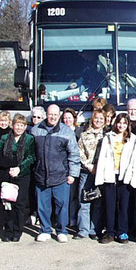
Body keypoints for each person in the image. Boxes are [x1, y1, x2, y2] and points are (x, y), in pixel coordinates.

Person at [31, 104, 81, 243]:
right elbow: (31, 153)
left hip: (61, 176)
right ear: (46, 114)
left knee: (62, 206)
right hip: (41, 175)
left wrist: (72, 174)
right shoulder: (36, 130)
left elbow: (74, 154)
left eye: (55, 114)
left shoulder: (67, 132)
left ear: (59, 115)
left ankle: (61, 231)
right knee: (43, 205)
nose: (52, 117)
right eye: (50, 114)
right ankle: (45, 230)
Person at [0, 114, 35, 242]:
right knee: (8, 203)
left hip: (22, 175)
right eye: (17, 125)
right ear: (12, 125)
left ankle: (17, 231)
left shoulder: (30, 139)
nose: (19, 127)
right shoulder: (5, 138)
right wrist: (7, 168)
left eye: (22, 125)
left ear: (25, 127)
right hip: (7, 174)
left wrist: (19, 168)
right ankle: (8, 230)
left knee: (19, 204)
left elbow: (31, 157)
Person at [95, 113, 136, 244]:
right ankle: (109, 232)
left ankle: (122, 231)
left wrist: (134, 177)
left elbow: (135, 160)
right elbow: (102, 158)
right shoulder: (108, 138)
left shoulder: (133, 139)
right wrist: (100, 177)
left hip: (125, 176)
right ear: (115, 123)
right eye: (119, 123)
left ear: (128, 125)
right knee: (109, 205)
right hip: (110, 175)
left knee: (124, 205)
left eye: (124, 123)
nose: (121, 125)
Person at [74, 110, 106, 240]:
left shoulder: (107, 136)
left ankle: (95, 229)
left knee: (98, 202)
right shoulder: (84, 135)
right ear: (92, 119)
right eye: (96, 118)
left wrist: (99, 167)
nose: (98, 120)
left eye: (101, 118)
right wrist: (88, 165)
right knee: (84, 201)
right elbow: (79, 151)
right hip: (86, 172)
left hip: (101, 173)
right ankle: (83, 230)